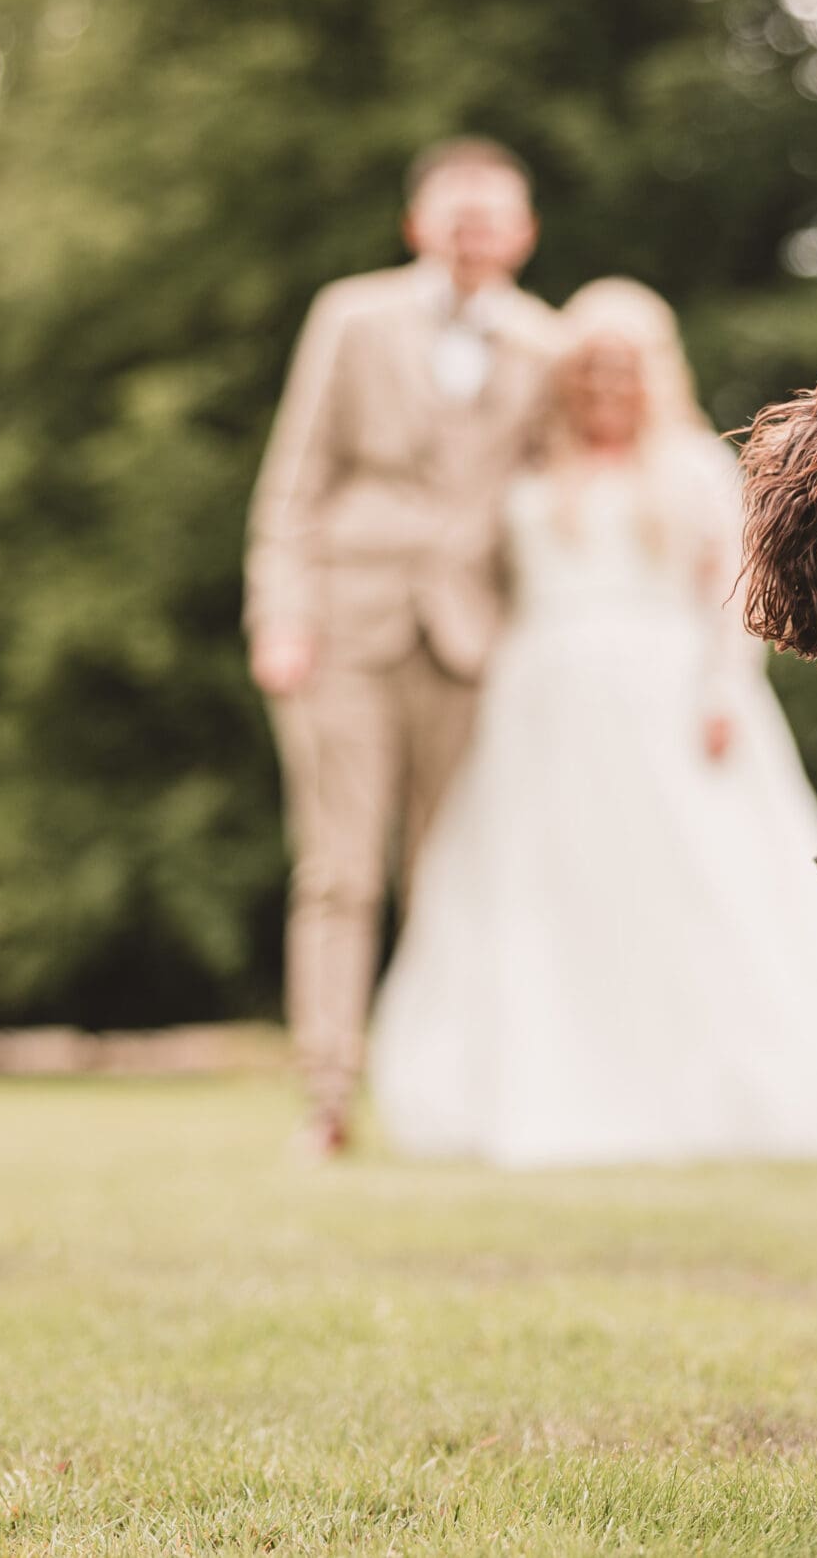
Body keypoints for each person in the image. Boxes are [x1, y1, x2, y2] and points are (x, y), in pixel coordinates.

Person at [367, 279, 817, 1167]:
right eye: (589, 370)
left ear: (651, 372)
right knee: (540, 888)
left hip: (664, 697)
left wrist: (718, 692)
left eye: (621, 370)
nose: (605, 387)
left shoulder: (693, 465)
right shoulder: (528, 464)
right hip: (537, 701)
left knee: (699, 880)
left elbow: (730, 596)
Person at [245, 138, 559, 1158]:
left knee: (449, 878)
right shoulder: (351, 316)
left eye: (492, 218)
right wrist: (279, 615)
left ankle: (435, 1090)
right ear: (418, 225)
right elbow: (295, 478)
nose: (472, 235)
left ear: (523, 234)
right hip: (343, 626)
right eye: (454, 216)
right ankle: (326, 1097)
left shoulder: (546, 346)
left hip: (474, 643)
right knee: (339, 871)